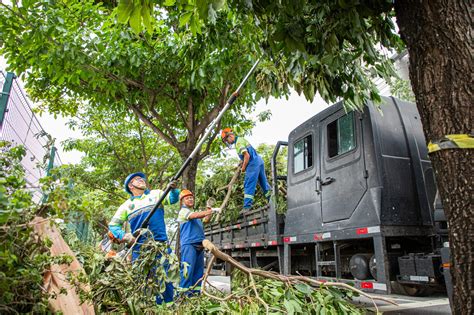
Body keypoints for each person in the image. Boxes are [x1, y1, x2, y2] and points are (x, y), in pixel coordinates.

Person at [108, 172, 179, 304]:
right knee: (142, 280)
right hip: (139, 248)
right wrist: (125, 236)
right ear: (131, 186)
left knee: (166, 277)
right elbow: (113, 225)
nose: (141, 180)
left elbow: (173, 199)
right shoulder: (126, 206)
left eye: (142, 179)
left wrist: (174, 189)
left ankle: (168, 308)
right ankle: (147, 308)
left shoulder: (156, 194)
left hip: (160, 244)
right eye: (137, 179)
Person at [177, 189, 220, 296]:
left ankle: (195, 295)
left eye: (191, 197)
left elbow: (205, 220)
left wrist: (209, 211)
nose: (190, 199)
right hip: (189, 244)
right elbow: (194, 216)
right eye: (187, 198)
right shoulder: (184, 211)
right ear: (182, 201)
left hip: (199, 245)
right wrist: (209, 211)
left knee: (198, 272)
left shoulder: (194, 213)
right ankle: (184, 296)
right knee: (188, 271)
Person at [221, 128, 271, 211]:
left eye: (227, 140)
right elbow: (246, 155)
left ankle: (247, 206)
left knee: (249, 183)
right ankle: (272, 200)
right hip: (259, 161)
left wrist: (243, 168)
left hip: (252, 164)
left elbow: (247, 156)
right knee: (263, 183)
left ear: (230, 136)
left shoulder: (238, 143)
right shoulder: (241, 139)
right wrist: (241, 162)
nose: (228, 143)